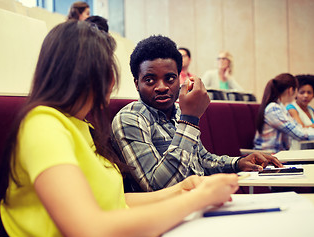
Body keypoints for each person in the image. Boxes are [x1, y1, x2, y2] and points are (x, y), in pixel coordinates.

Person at [0, 20, 241, 237]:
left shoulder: (82, 125)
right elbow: (91, 230)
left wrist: (183, 190)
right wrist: (199, 198)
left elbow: (115, 202)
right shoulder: (44, 125)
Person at [111, 35, 282, 192]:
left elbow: (201, 160)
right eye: (150, 80)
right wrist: (190, 120)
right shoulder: (130, 119)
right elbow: (158, 186)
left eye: (170, 78)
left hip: (202, 201)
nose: (162, 87)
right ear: (136, 83)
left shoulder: (179, 112)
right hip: (168, 216)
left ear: (179, 79)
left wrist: (238, 162)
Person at [254, 73, 314, 153]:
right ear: (290, 90)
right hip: (269, 156)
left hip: (279, 155)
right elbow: (299, 134)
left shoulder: (281, 108)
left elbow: (299, 128)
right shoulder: (274, 109)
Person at [286, 74, 314, 149]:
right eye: (302, 92)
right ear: (296, 93)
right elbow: (301, 128)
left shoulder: (311, 109)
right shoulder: (291, 108)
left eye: (309, 92)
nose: (306, 95)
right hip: (297, 148)